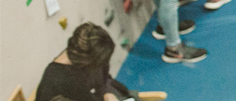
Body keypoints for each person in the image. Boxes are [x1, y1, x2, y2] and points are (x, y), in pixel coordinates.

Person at [35, 22, 165, 101]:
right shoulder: (53, 85)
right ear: (87, 62)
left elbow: (104, 78)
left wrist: (107, 93)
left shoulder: (93, 51)